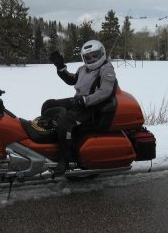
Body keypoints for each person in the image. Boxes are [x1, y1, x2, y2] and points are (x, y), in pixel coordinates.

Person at [44, 40, 118, 175]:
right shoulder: (84, 68)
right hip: (79, 102)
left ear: (101, 54)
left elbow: (105, 92)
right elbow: (72, 79)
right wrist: (60, 67)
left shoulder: (106, 69)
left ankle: (65, 159)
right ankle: (52, 141)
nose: (91, 59)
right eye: (88, 57)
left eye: (94, 56)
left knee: (65, 124)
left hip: (93, 107)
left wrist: (85, 100)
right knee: (48, 105)